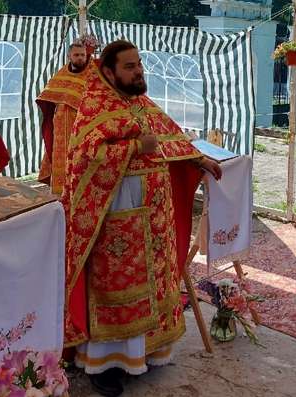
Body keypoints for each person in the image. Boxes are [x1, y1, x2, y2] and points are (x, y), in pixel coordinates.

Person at [61, 40, 222, 397]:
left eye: (139, 65)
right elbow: (86, 157)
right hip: (115, 212)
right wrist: (135, 147)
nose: (138, 72)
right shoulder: (95, 105)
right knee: (117, 285)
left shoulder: (139, 101)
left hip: (152, 215)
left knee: (152, 283)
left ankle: (144, 352)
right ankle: (105, 364)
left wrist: (198, 160)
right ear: (109, 71)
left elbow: (169, 136)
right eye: (130, 67)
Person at [36, 42, 91, 195]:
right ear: (69, 56)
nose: (80, 58)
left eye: (83, 55)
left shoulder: (92, 73)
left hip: (82, 126)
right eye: (77, 55)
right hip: (60, 126)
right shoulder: (62, 73)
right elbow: (49, 92)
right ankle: (60, 194)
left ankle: (79, 193)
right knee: (61, 159)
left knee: (80, 160)